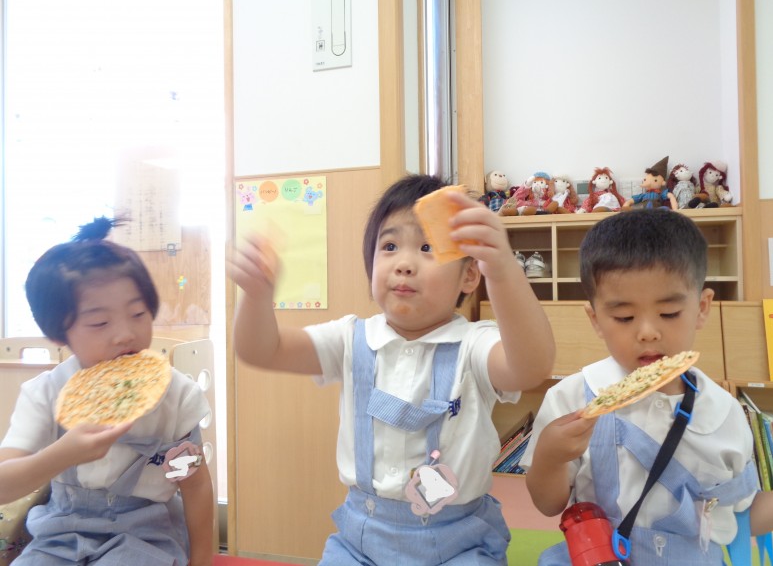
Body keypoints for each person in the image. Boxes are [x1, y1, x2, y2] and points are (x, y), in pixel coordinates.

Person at [229, 174, 555, 565]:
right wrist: (256, 297)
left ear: (469, 275)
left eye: (427, 247)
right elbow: (262, 350)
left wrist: (502, 270)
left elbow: (530, 367)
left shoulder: (474, 345)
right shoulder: (350, 338)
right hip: (362, 541)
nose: (403, 264)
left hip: (460, 542)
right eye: (389, 246)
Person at [520, 209, 773, 565]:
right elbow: (548, 504)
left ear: (702, 307)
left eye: (669, 313)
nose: (648, 332)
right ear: (596, 319)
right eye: (624, 317)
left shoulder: (723, 411)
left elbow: (739, 518)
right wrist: (549, 456)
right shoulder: (571, 397)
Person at [0, 217, 214, 566]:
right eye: (100, 322)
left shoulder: (176, 396)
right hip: (59, 535)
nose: (125, 334)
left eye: (138, 314)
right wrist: (61, 455)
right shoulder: (46, 393)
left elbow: (194, 484)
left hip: (145, 535)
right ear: (58, 334)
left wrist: (202, 560)